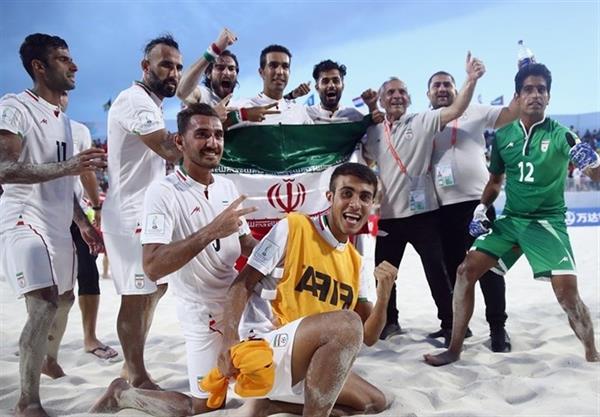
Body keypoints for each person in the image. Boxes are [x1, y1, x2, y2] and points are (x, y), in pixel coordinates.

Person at [424, 63, 600, 366]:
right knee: (465, 271)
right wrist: (481, 208)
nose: (535, 95)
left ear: (549, 96)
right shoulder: (504, 136)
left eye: (541, 89)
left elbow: (595, 174)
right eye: (528, 89)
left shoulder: (563, 135)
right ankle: (454, 349)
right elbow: (495, 182)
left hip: (547, 223)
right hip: (512, 220)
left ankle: (592, 353)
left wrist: (594, 165)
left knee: (567, 296)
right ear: (518, 96)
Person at [89, 103, 257, 416]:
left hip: (240, 305)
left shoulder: (227, 186)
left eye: (218, 135)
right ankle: (123, 394)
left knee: (271, 386)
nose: (212, 142)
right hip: (202, 313)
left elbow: (244, 242)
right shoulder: (162, 192)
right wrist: (211, 231)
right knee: (205, 407)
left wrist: (282, 249)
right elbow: (152, 266)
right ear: (180, 141)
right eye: (202, 134)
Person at [216, 163, 398, 417]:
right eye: (347, 193)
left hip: (308, 359)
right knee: (346, 323)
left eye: (365, 197)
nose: (356, 204)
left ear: (372, 205)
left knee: (375, 402)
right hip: (265, 350)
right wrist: (228, 342)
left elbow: (368, 336)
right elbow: (242, 284)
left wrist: (385, 294)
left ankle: (271, 406)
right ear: (330, 197)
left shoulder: (356, 262)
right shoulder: (294, 227)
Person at [0, 33, 105, 417]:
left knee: (65, 299)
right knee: (43, 305)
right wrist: (70, 166)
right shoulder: (14, 106)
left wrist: (83, 224)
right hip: (22, 218)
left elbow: (63, 183)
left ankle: (48, 359)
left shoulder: (65, 122)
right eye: (63, 59)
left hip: (59, 224)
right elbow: (4, 169)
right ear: (39, 67)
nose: (74, 65)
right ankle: (27, 402)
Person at [361, 52, 485, 342]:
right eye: (390, 92)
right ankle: (389, 322)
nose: (397, 96)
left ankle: (452, 324)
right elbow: (365, 161)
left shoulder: (422, 121)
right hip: (389, 216)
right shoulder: (373, 131)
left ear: (410, 98)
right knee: (384, 274)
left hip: (424, 214)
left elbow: (456, 109)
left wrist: (470, 79)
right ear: (382, 100)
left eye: (402, 92)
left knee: (437, 272)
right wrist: (370, 109)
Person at [101, 34, 183, 389]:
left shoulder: (151, 103)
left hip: (146, 211)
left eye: (178, 67)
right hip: (130, 212)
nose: (173, 73)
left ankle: (131, 365)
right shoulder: (135, 100)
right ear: (145, 66)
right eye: (166, 65)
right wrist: (214, 129)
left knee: (154, 290)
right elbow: (170, 149)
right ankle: (135, 374)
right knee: (136, 296)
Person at [427, 70, 519, 352]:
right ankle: (458, 326)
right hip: (442, 210)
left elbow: (511, 114)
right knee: (453, 272)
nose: (442, 88)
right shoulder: (425, 122)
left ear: (457, 89)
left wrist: (523, 77)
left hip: (478, 205)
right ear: (428, 93)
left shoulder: (475, 110)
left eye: (447, 84)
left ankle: (497, 329)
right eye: (436, 85)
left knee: (489, 270)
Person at [59, 91, 118, 360]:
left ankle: (89, 337)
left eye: (65, 94)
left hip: (75, 213)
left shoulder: (78, 130)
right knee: (49, 282)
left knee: (88, 272)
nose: (62, 98)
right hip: (38, 212)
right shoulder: (29, 122)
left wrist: (96, 207)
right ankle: (44, 341)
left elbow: (87, 173)